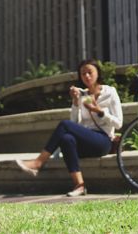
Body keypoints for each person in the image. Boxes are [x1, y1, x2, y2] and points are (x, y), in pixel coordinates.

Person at [16, 59, 123, 196]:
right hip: (85, 142)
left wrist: (100, 112)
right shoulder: (83, 95)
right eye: (83, 74)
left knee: (64, 125)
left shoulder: (110, 92)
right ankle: (79, 185)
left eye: (90, 72)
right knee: (66, 138)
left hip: (103, 141)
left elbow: (119, 123)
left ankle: (38, 162)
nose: (87, 76)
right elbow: (75, 123)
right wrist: (75, 103)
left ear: (98, 73)